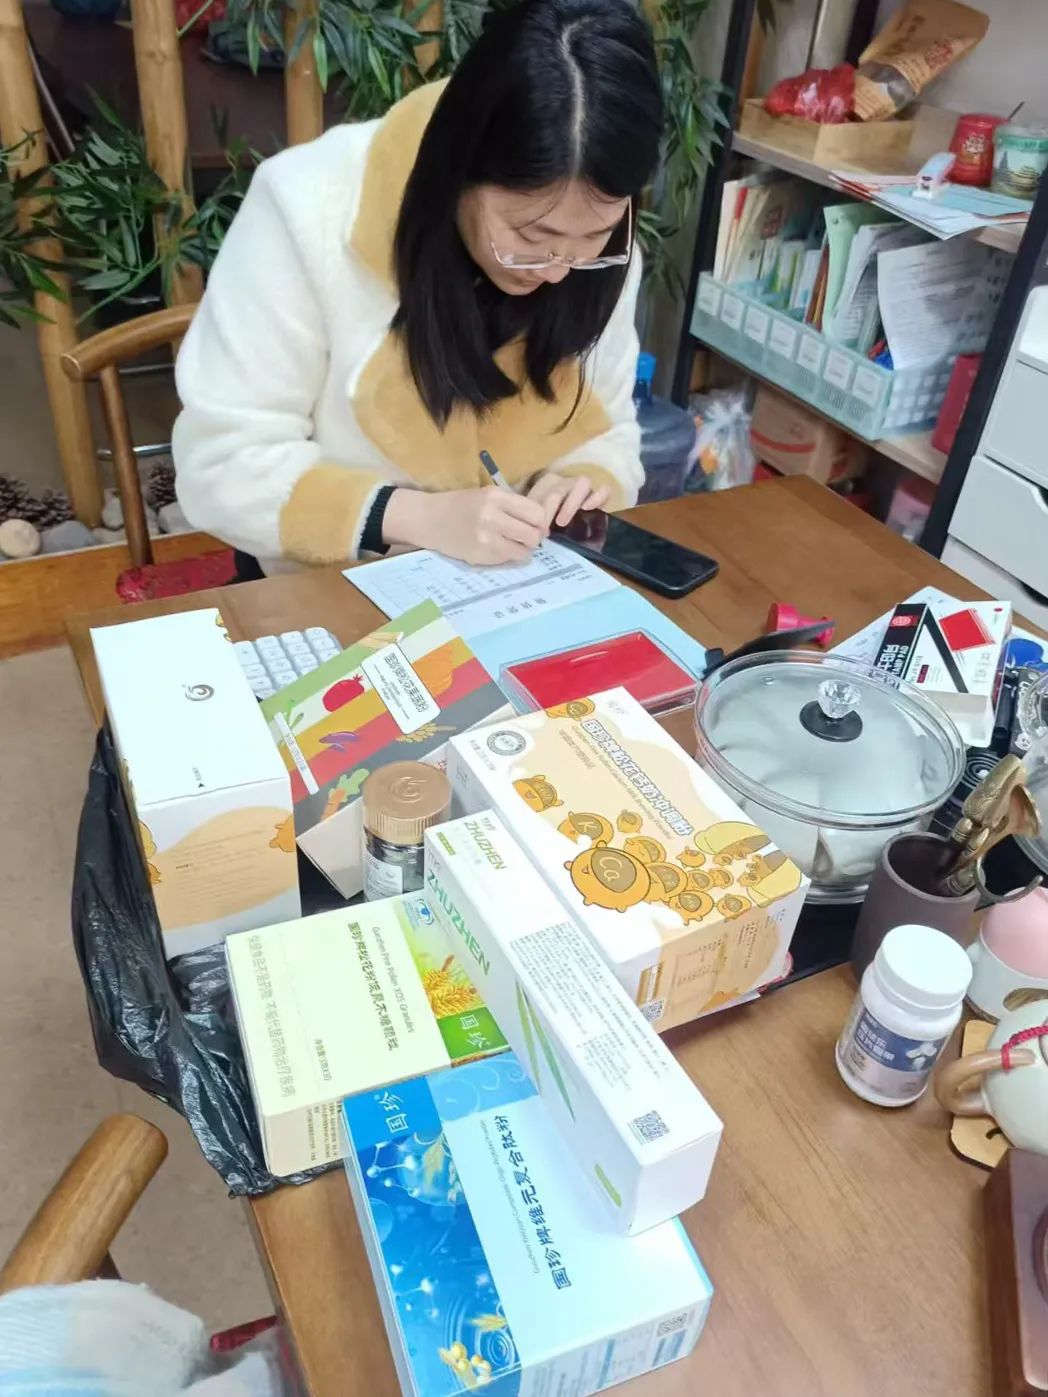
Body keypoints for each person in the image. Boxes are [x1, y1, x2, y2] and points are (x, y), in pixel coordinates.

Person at [172, 0, 663, 578]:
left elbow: (611, 431)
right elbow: (223, 464)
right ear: (458, 172)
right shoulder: (306, 206)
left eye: (595, 236)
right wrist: (413, 517)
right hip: (326, 586)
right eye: (532, 236)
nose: (558, 270)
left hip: (515, 584)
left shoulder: (595, 249)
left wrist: (583, 481)